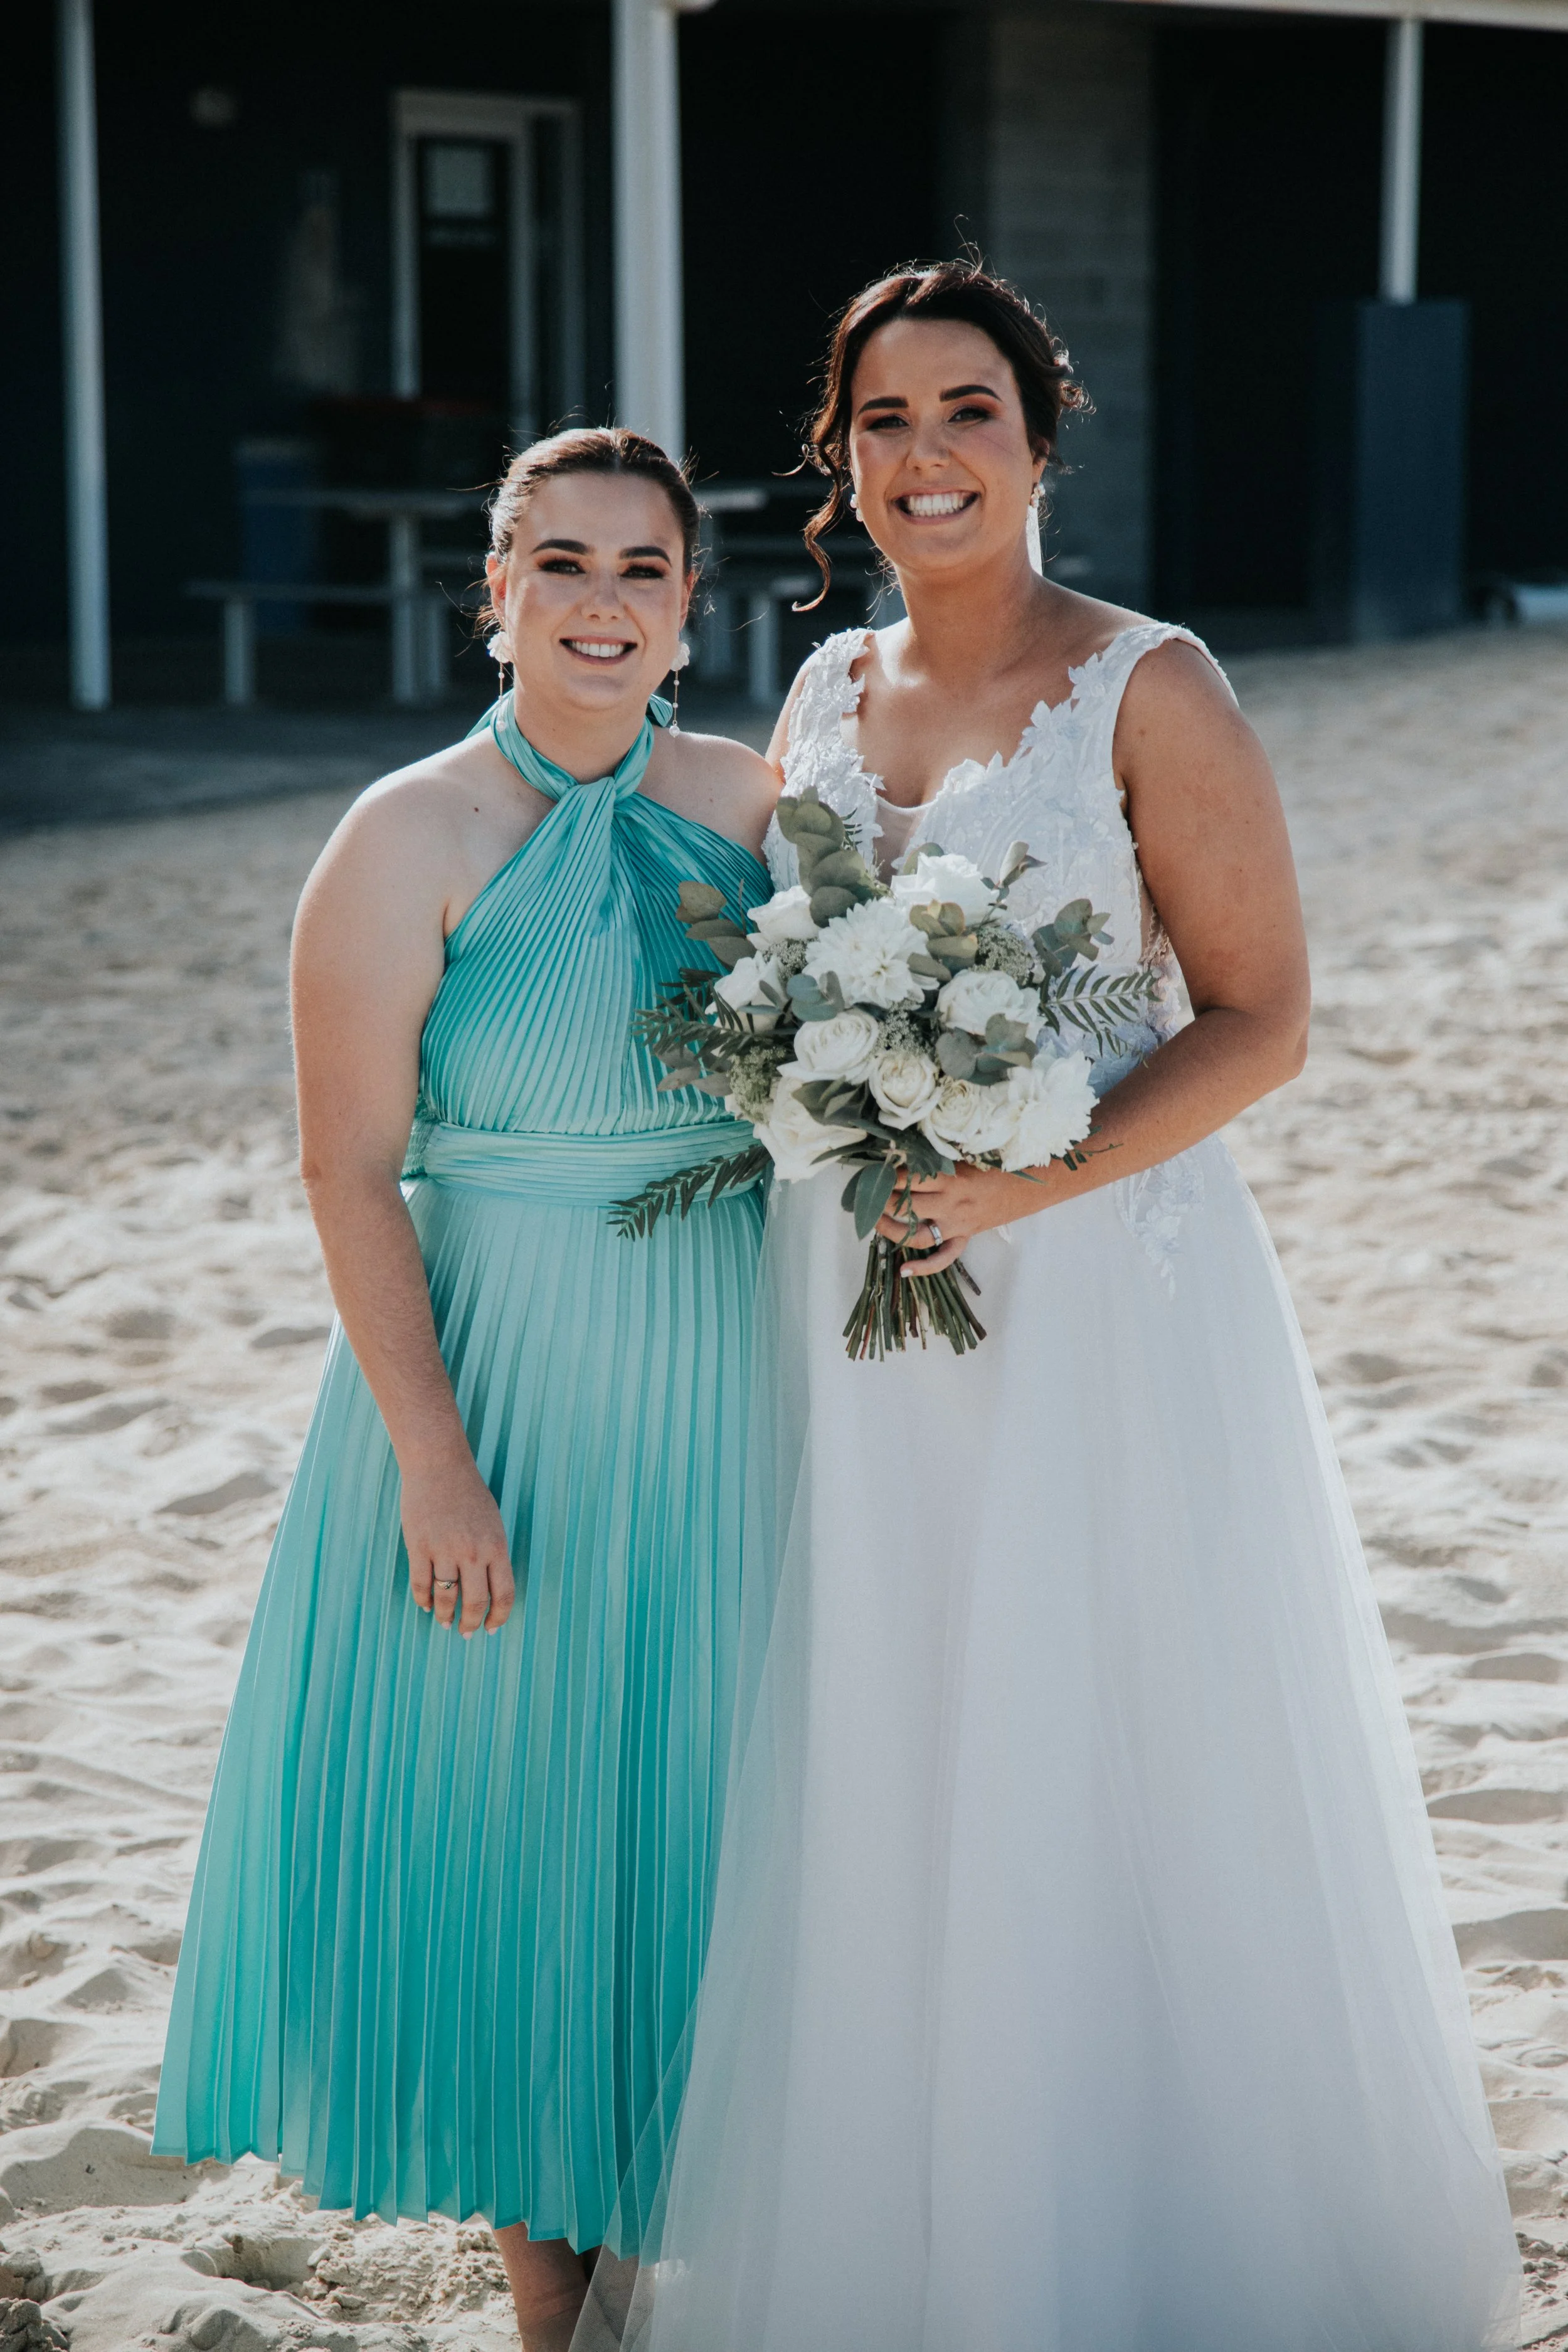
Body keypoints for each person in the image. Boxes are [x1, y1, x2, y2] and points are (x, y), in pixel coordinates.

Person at [580, 265, 1520, 2351]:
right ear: (840, 456)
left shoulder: (1147, 684)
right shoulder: (816, 695)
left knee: (1112, 1719)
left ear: (1039, 437)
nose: (925, 454)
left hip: (1104, 1293)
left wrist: (1033, 1169)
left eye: (968, 412)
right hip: (859, 1296)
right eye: (885, 418)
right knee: (892, 1719)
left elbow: (1261, 1016)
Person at [151, 428, 778, 2352]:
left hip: (730, 1367)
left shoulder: (762, 807)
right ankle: (546, 2297)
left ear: (690, 605)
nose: (604, 603)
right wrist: (435, 1458)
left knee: (707, 1800)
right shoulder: (402, 835)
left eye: (643, 570)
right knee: (521, 1816)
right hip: (494, 1377)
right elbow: (349, 1169)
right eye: (563, 565)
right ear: (490, 594)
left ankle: (687, 2229)